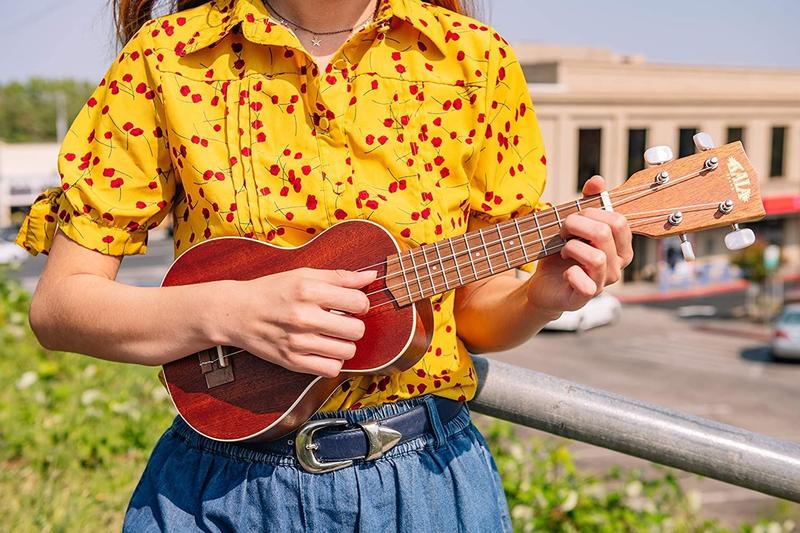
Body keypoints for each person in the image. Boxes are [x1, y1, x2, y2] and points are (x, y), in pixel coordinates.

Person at [17, 0, 633, 530]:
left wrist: (538, 300)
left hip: (423, 490)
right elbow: (61, 307)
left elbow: (473, 319)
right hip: (217, 494)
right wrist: (230, 313)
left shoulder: (475, 63)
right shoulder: (168, 59)